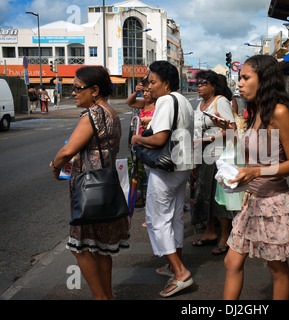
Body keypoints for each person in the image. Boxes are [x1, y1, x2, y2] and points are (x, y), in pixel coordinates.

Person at [223, 55, 289, 300]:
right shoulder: (255, 110)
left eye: (246, 77)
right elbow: (257, 156)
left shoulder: (278, 112)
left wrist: (255, 172)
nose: (239, 83)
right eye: (239, 78)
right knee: (231, 261)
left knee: (277, 269)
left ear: (265, 80)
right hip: (252, 201)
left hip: (273, 204)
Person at [50, 66, 130, 300]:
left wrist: (54, 166)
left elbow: (67, 151)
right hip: (106, 188)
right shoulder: (111, 112)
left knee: (82, 248)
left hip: (88, 191)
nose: (73, 93)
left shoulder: (92, 114)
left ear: (94, 90)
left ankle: (100, 297)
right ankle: (108, 296)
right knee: (103, 248)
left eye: (76, 88)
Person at [131, 60, 195, 297]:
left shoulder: (166, 100)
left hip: (166, 168)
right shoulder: (184, 101)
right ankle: (173, 263)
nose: (150, 86)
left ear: (166, 83)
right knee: (175, 216)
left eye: (153, 82)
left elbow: (159, 139)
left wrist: (138, 140)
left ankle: (180, 272)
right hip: (182, 166)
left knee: (158, 219)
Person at [191, 69, 237, 255]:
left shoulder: (221, 102)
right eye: (198, 83)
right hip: (202, 156)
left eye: (203, 83)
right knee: (204, 193)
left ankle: (225, 235)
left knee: (219, 195)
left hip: (219, 154)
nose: (199, 86)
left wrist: (206, 140)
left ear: (213, 86)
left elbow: (231, 129)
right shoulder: (201, 104)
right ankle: (210, 232)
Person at [126, 77, 156, 211]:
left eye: (147, 91)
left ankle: (150, 203)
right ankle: (142, 198)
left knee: (150, 175)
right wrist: (135, 92)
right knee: (139, 172)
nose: (145, 94)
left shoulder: (158, 105)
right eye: (143, 91)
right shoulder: (143, 104)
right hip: (139, 144)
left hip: (150, 144)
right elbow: (130, 102)